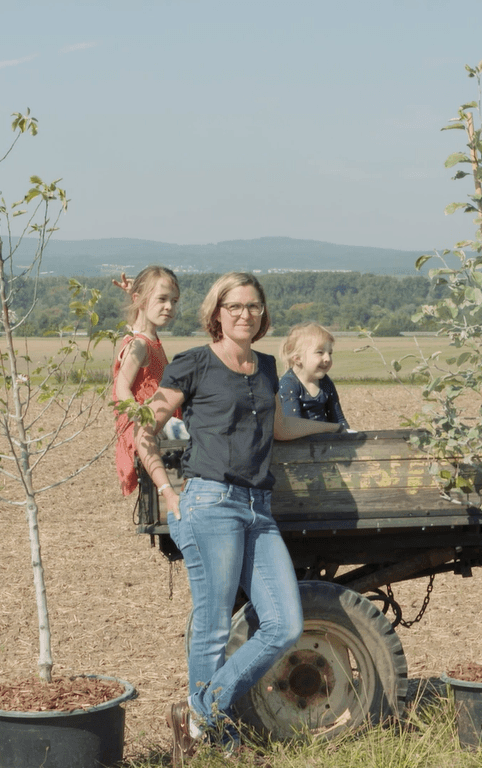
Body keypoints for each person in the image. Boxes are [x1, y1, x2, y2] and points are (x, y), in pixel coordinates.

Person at [133, 272, 343, 762]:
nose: (244, 314)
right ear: (217, 313)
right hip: (210, 504)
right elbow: (144, 428)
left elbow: (281, 426)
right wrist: (166, 488)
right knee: (211, 628)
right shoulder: (194, 364)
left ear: (262, 313)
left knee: (285, 624)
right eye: (234, 306)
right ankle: (216, 735)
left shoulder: (267, 367)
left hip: (258, 507)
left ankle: (199, 713)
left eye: (252, 306)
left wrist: (333, 426)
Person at [112, 266, 183, 496]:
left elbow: (139, 320)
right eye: (162, 299)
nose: (169, 307)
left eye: (174, 300)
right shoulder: (140, 344)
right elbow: (121, 387)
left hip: (159, 422)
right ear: (140, 300)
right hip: (148, 426)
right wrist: (141, 416)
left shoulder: (148, 337)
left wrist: (137, 296)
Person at [278, 321, 350, 430]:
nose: (327, 358)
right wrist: (329, 428)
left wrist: (349, 438)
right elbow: (293, 425)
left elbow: (338, 418)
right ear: (298, 359)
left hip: (325, 442)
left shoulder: (325, 382)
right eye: (320, 352)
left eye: (330, 353)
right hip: (298, 444)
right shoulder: (289, 384)